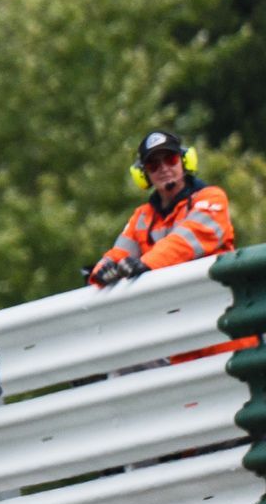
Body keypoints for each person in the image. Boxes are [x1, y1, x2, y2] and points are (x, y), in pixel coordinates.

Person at [89, 129, 253, 362]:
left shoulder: (211, 199)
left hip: (227, 327)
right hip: (179, 335)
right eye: (153, 165)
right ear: (143, 174)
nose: (164, 168)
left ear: (184, 161)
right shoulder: (142, 217)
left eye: (170, 159)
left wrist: (145, 264)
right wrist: (101, 272)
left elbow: (184, 241)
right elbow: (118, 253)